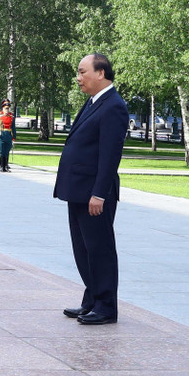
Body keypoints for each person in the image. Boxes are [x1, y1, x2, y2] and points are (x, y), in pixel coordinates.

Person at [54, 53, 128, 325]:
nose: (78, 77)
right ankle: (92, 299)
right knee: (83, 249)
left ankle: (106, 306)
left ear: (101, 73)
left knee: (99, 249)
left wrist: (99, 193)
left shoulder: (113, 106)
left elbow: (110, 156)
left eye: (82, 71)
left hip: (94, 194)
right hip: (78, 190)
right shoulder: (94, 102)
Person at [0, 100, 16, 172]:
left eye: (8, 108)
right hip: (1, 136)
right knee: (2, 152)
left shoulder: (12, 117)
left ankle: (6, 166)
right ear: (3, 109)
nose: (7, 110)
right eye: (5, 108)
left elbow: (13, 128)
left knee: (7, 152)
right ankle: (2, 167)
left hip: (8, 136)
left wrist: (14, 138)